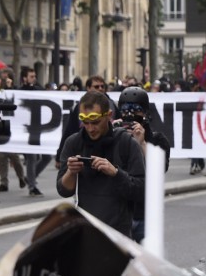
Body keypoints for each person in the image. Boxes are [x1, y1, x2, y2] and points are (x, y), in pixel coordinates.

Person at [56, 92, 145, 237]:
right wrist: (71, 172)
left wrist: (115, 173)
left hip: (117, 234)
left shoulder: (126, 142)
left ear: (109, 115)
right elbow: (63, 190)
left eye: (95, 122)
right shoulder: (73, 143)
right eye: (85, 122)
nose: (90, 128)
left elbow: (141, 190)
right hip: (85, 231)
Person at [117, 86, 171, 242]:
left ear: (145, 113)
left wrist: (142, 144)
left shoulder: (158, 140)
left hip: (146, 212)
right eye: (126, 109)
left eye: (136, 109)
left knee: (147, 261)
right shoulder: (117, 136)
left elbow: (160, 169)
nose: (130, 114)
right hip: (121, 212)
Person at [55, 75, 107, 167]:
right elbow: (69, 131)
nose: (100, 89)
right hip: (85, 152)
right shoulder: (79, 107)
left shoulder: (111, 104)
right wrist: (59, 155)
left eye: (102, 86)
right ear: (88, 88)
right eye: (96, 86)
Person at [20, 67, 49, 197]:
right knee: (31, 157)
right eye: (31, 76)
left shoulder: (38, 90)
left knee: (47, 157)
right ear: (24, 78)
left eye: (35, 76)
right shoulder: (19, 91)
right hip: (26, 131)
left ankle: (31, 177)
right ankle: (32, 186)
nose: (34, 78)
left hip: (39, 129)